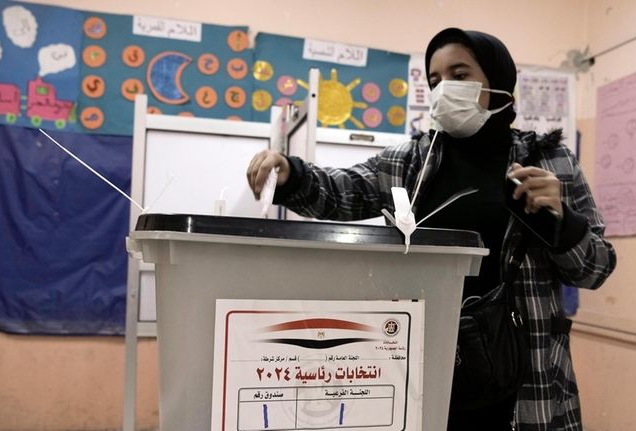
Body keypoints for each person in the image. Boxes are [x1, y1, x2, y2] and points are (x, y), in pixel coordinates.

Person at [246, 27, 616, 430]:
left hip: (524, 377)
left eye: (460, 75)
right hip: (420, 367)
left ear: (498, 82)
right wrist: (291, 175)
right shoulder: (412, 161)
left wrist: (562, 221)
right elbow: (343, 191)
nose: (444, 89)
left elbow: (595, 269)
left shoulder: (549, 159)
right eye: (435, 80)